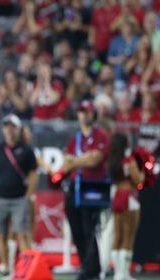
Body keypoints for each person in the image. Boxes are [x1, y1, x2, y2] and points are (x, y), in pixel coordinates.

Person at [61, 100, 110, 280]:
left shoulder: (101, 135)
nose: (84, 114)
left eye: (87, 111)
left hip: (93, 186)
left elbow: (95, 160)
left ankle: (92, 270)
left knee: (89, 228)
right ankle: (86, 266)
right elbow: (66, 164)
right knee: (76, 230)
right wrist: (82, 159)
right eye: (81, 111)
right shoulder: (75, 139)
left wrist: (75, 160)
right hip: (75, 186)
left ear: (93, 114)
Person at [0, 114, 38, 277]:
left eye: (12, 126)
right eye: (6, 126)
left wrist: (28, 195)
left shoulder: (27, 150)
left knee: (23, 234)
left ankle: (27, 269)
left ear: (19, 129)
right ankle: (6, 267)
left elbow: (33, 173)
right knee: (2, 235)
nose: (9, 129)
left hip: (19, 198)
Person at [109, 133, 145, 280]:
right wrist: (142, 173)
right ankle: (123, 274)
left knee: (117, 235)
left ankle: (118, 273)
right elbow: (138, 180)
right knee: (128, 236)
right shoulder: (129, 161)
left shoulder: (113, 161)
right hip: (129, 196)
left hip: (117, 195)